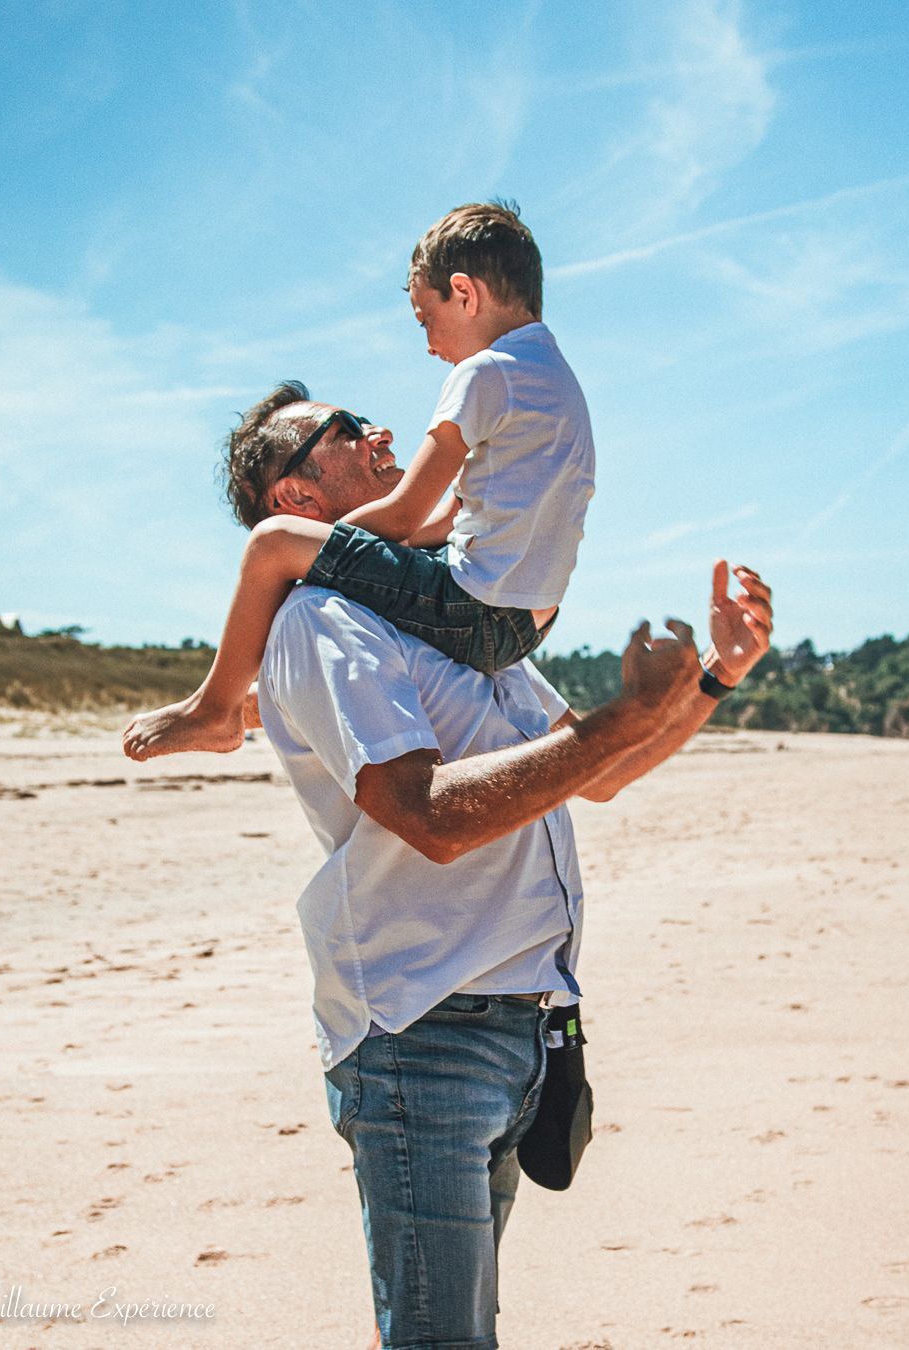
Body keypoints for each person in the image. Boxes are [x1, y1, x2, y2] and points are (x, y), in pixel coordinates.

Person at [180, 383, 773, 1349]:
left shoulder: (453, 622)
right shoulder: (324, 620)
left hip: (517, 1026)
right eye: (341, 432)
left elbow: (599, 771)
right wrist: (622, 715)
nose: (379, 432)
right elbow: (427, 816)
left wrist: (715, 676)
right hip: (423, 1035)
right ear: (294, 496)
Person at [123, 201, 594, 762]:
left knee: (273, 544)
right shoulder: (556, 379)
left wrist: (313, 557)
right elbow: (446, 521)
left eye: (426, 319)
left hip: (476, 611)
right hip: (527, 620)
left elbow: (403, 515)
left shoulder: (483, 374)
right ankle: (246, 703)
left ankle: (214, 710)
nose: (430, 345)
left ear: (465, 294)